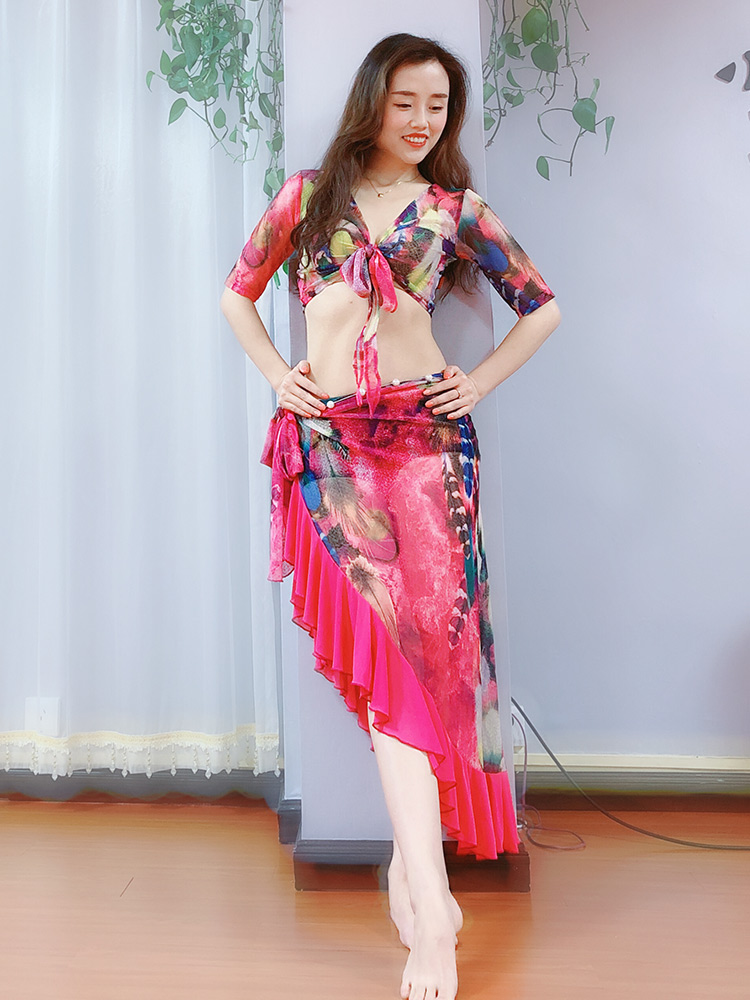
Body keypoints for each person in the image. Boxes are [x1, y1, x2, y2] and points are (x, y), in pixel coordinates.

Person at [221, 32, 560, 1000]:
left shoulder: (456, 210)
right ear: (372, 99)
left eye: (438, 106)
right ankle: (428, 896)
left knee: (429, 665)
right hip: (333, 450)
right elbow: (237, 295)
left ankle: (425, 891)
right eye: (406, 101)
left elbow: (541, 307)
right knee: (387, 671)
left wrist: (477, 382)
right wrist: (278, 376)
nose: (421, 120)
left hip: (429, 450)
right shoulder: (305, 197)